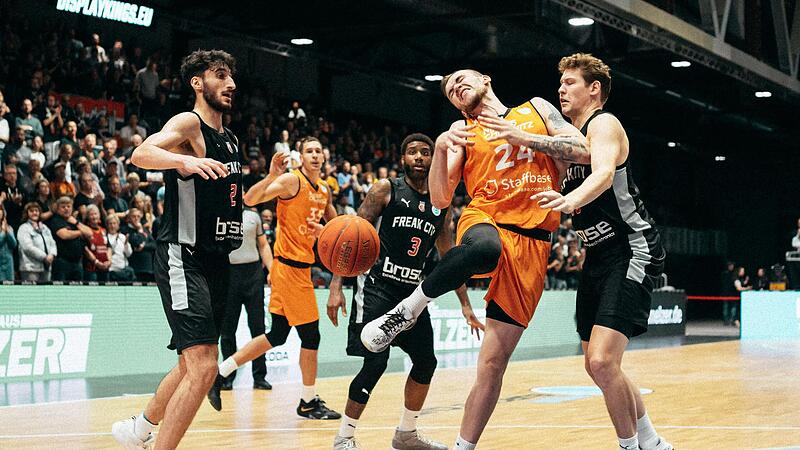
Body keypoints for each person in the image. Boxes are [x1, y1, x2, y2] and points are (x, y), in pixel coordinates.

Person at [361, 68, 591, 449]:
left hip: (533, 242)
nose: (456, 88)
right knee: (484, 249)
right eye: (450, 90)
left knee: (492, 365)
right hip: (485, 218)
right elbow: (439, 199)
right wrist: (439, 148)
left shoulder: (535, 109)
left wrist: (524, 137)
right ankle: (408, 309)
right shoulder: (460, 133)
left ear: (486, 79)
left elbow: (583, 150)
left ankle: (463, 446)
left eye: (461, 80)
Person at [530, 53, 672, 450]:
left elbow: (604, 173)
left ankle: (629, 445)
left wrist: (567, 199)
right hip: (597, 256)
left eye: (570, 82)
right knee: (598, 365)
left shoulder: (604, 124)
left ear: (594, 89)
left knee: (602, 362)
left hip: (632, 249)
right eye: (560, 83)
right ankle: (652, 442)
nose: (561, 88)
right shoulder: (572, 139)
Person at [111, 49, 242, 450]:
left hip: (218, 259)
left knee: (191, 364)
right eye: (221, 75)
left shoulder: (231, 139)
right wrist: (179, 163)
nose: (231, 84)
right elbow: (141, 153)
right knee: (204, 368)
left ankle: (140, 429)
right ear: (198, 83)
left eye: (232, 76)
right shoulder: (190, 122)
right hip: (183, 255)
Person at [328, 134, 483, 450]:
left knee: (426, 362)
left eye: (426, 153)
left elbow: (449, 257)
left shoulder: (441, 205)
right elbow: (349, 237)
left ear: (433, 160)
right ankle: (343, 437)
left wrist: (465, 304)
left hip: (412, 297)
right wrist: (336, 285)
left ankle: (406, 434)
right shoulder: (386, 189)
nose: (419, 157)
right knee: (375, 362)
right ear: (402, 159)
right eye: (412, 152)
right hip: (376, 289)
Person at [210, 137, 340, 420]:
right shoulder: (292, 182)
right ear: (301, 157)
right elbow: (249, 199)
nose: (315, 155)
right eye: (309, 151)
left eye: (319, 150)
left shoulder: (324, 190)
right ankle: (307, 401)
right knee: (311, 335)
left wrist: (325, 232)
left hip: (296, 269)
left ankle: (220, 373)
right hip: (290, 269)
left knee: (277, 335)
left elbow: (337, 226)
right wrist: (271, 176)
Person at [218, 206, 274, 391]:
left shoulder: (253, 216)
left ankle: (260, 377)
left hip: (253, 274)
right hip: (228, 275)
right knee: (227, 330)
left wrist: (272, 270)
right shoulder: (219, 214)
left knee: (258, 328)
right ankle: (227, 377)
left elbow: (263, 245)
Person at [49, 196, 93, 281]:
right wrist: (80, 232)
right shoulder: (56, 220)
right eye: (63, 207)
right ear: (58, 209)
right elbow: (64, 235)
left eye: (68, 206)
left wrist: (76, 223)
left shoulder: (74, 221)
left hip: (77, 262)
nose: (66, 209)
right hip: (62, 262)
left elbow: (90, 233)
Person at [17, 202, 57, 282]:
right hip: (30, 268)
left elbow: (53, 243)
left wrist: (52, 255)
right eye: (31, 211)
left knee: (45, 293)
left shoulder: (44, 227)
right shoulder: (23, 228)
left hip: (46, 267)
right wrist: (44, 257)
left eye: (36, 210)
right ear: (27, 213)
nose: (34, 213)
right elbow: (27, 247)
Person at [83, 204, 111, 282]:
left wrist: (109, 261)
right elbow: (85, 250)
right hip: (92, 269)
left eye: (96, 214)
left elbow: (109, 247)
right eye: (91, 214)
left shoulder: (103, 230)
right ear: (88, 217)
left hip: (105, 267)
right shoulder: (86, 230)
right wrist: (97, 263)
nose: (94, 216)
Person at [0, 206, 16, 281]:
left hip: (8, 262)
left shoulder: (9, 228)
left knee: (9, 287)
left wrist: (8, 232)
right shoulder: (4, 230)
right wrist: (3, 232)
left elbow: (13, 244)